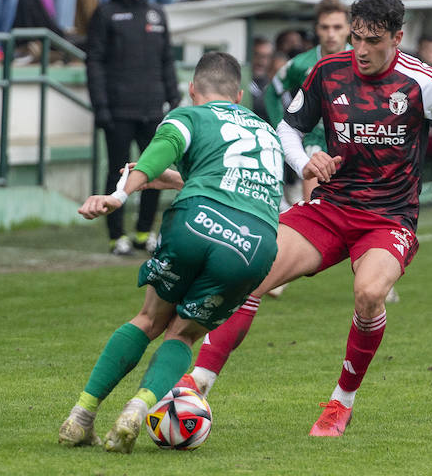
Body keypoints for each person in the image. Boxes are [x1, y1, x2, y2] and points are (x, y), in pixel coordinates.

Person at [183, 0, 432, 436]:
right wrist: (303, 162)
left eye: (372, 40)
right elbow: (288, 128)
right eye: (355, 38)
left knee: (368, 295)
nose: (360, 50)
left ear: (397, 37)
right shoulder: (328, 71)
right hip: (331, 206)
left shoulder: (423, 82)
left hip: (388, 217)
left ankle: (341, 402)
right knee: (252, 269)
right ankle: (197, 384)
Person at [58, 51, 282, 453]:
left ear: (193, 89)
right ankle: (137, 408)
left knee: (149, 319)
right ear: (239, 97)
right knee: (184, 333)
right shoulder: (266, 131)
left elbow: (164, 146)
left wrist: (121, 193)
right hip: (256, 243)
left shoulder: (190, 114)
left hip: (197, 222)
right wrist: (174, 180)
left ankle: (81, 416)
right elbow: (234, 181)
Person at [85, 0, 179, 256]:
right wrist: (100, 105)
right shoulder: (106, 13)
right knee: (117, 172)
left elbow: (166, 59)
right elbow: (94, 61)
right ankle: (116, 236)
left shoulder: (156, 13)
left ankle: (143, 232)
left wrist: (174, 98)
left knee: (154, 173)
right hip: (118, 108)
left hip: (153, 109)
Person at [264, 0, 349, 202]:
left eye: (337, 27)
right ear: (316, 29)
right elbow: (271, 92)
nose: (331, 34)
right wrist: (282, 130)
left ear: (349, 29)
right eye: (325, 27)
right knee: (315, 208)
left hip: (353, 142)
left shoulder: (362, 62)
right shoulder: (300, 64)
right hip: (315, 141)